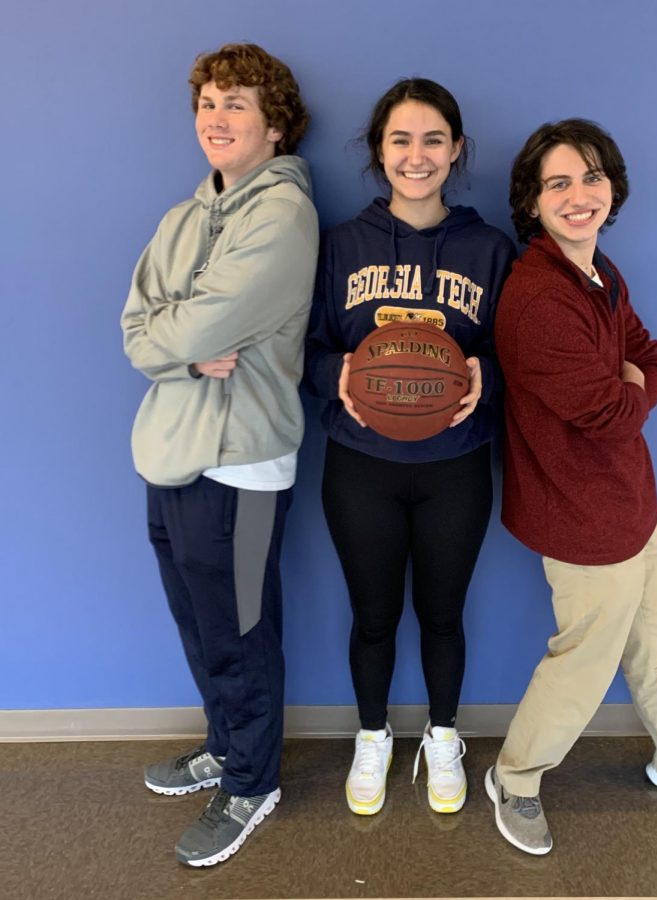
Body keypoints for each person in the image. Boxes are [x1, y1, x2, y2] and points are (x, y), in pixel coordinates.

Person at [487, 118, 657, 855]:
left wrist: (632, 379)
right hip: (580, 516)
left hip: (629, 504)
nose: (579, 195)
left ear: (611, 186)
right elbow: (610, 415)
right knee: (581, 666)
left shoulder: (599, 272)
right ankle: (513, 779)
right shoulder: (538, 300)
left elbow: (644, 353)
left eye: (591, 176)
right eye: (558, 184)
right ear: (532, 202)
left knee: (655, 645)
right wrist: (632, 387)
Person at [120, 42, 318, 867]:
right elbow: (138, 331)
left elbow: (198, 324)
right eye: (207, 103)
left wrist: (183, 334)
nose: (216, 118)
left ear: (274, 127)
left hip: (241, 461)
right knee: (196, 623)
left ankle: (251, 780)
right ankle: (222, 743)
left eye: (235, 104)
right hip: (168, 452)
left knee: (239, 629)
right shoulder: (180, 216)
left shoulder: (283, 214)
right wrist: (180, 346)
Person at [306, 79, 516, 816]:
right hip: (359, 464)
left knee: (442, 615)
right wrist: (346, 376)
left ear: (456, 150)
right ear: (378, 151)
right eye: (400, 139)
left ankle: (443, 735)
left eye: (433, 139)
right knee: (370, 615)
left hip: (455, 465)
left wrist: (484, 376)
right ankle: (372, 735)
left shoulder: (490, 249)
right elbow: (306, 350)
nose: (416, 155)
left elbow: (518, 353)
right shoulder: (340, 245)